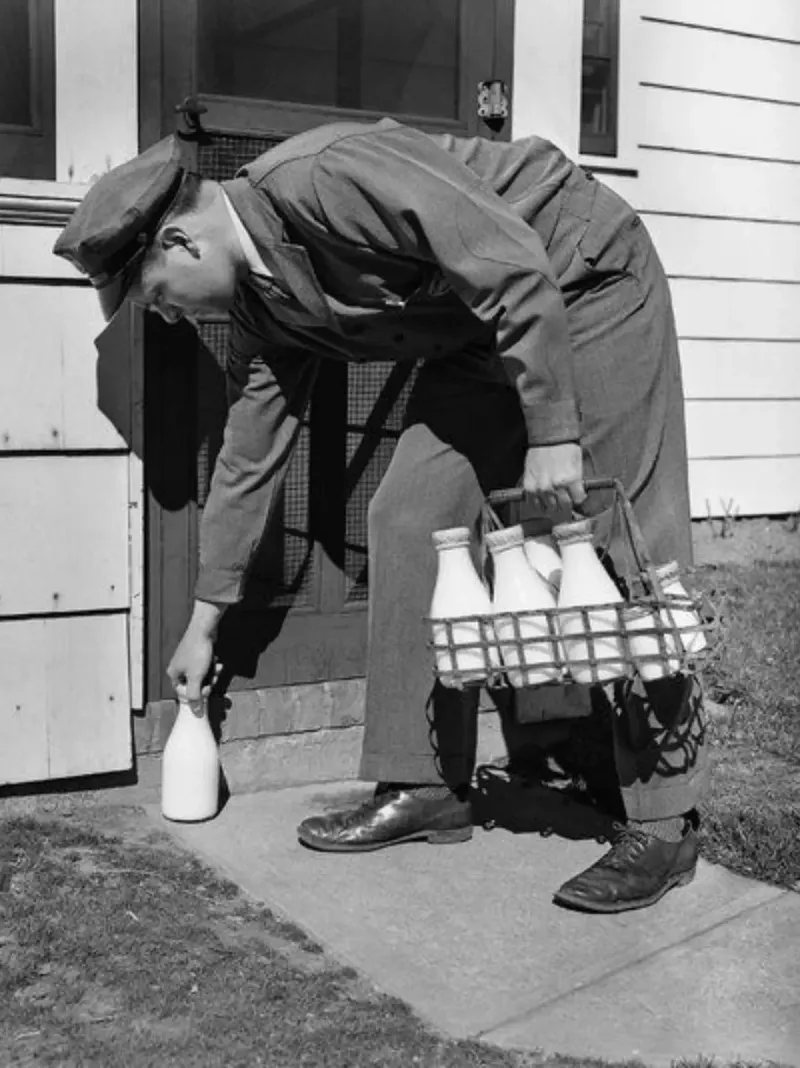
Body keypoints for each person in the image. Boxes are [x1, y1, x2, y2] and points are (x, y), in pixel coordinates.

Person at [54, 118, 709, 913]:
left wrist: (552, 433)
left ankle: (664, 820)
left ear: (182, 242)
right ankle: (423, 784)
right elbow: (248, 458)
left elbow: (508, 259)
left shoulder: (329, 176)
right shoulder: (261, 309)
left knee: (618, 531)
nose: (164, 317)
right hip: (475, 331)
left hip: (579, 278)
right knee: (409, 515)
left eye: (155, 296)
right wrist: (204, 619)